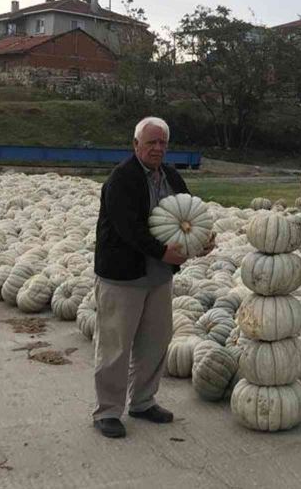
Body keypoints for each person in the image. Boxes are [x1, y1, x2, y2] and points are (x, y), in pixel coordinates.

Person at [92, 116, 214, 438]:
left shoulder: (171, 177)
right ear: (136, 145)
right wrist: (162, 252)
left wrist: (201, 240)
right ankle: (107, 411)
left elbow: (190, 214)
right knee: (116, 346)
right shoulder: (121, 180)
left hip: (158, 276)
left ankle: (143, 402)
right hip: (122, 277)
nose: (157, 148)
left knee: (155, 342)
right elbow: (129, 229)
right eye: (151, 142)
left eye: (162, 143)